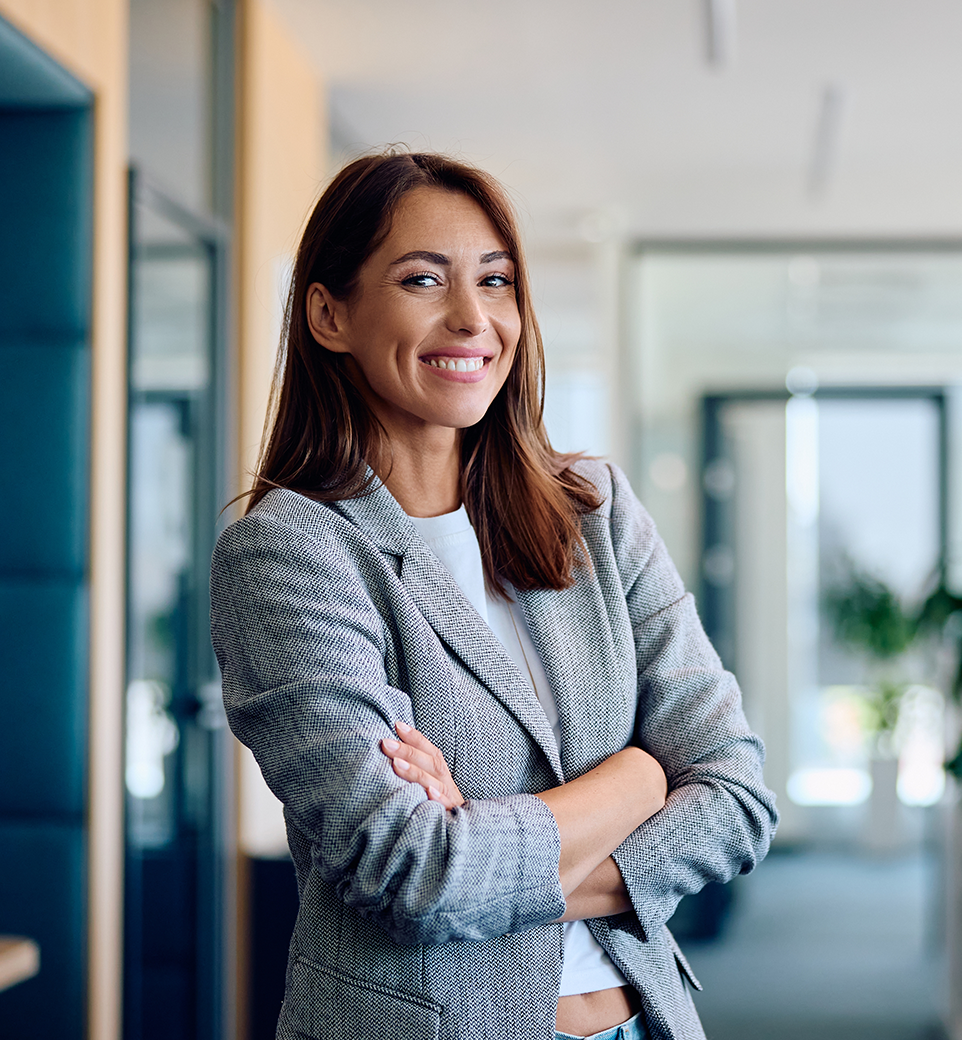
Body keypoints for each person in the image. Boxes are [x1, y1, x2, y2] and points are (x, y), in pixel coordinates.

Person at [211, 151, 777, 1040]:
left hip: (643, 1022)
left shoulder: (595, 514)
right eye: (422, 279)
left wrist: (481, 848)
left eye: (497, 280)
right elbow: (415, 875)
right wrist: (641, 776)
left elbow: (738, 796)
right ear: (329, 314)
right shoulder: (291, 552)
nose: (473, 318)